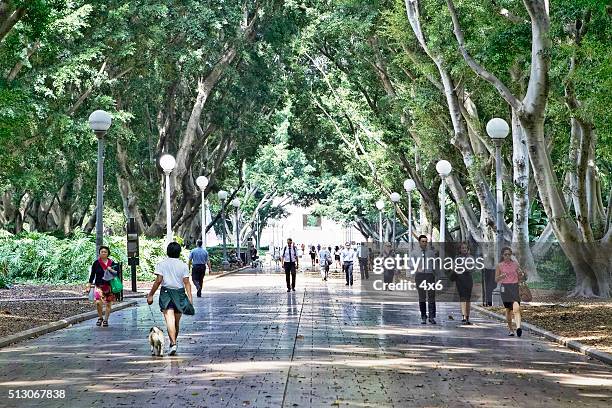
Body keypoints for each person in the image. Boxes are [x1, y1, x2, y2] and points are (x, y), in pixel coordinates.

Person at [147, 242, 194, 356]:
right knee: (176, 321)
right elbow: (187, 282)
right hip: (180, 294)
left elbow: (158, 280)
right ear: (179, 252)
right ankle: (173, 343)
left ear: (167, 251)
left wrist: (150, 294)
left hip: (166, 293)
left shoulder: (162, 264)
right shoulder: (183, 265)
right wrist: (190, 298)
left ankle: (173, 343)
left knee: (170, 320)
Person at [495, 247, 524, 337]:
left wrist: (522, 274)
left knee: (517, 308)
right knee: (508, 310)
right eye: (505, 254)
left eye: (509, 254)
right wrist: (501, 276)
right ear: (502, 255)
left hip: (514, 287)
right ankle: (511, 329)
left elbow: (521, 278)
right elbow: (496, 279)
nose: (507, 256)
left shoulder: (515, 264)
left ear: (511, 255)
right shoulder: (499, 265)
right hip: (505, 288)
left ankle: (518, 327)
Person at [87, 246, 117, 327]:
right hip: (99, 286)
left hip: (109, 286)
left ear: (108, 253)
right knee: (98, 303)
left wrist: (110, 269)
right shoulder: (96, 263)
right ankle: (100, 318)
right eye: (102, 252)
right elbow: (92, 274)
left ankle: (106, 320)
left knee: (108, 304)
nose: (103, 253)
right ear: (99, 253)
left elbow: (117, 273)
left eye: (105, 252)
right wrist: (89, 285)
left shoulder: (112, 263)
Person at [415, 235, 437, 324]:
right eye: (422, 241)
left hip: (429, 276)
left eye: (425, 241)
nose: (424, 243)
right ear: (419, 242)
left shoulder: (431, 253)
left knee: (431, 296)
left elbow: (435, 264)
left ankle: (432, 317)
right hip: (420, 276)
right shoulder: (414, 253)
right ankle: (423, 316)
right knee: (422, 297)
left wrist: (436, 275)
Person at [454, 242, 474, 325]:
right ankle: (463, 316)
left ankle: (467, 317)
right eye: (462, 248)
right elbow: (455, 267)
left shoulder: (471, 257)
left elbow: (472, 268)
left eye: (465, 248)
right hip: (460, 278)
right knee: (462, 297)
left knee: (468, 298)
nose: (464, 249)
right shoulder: (457, 258)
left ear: (468, 249)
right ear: (460, 249)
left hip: (468, 278)